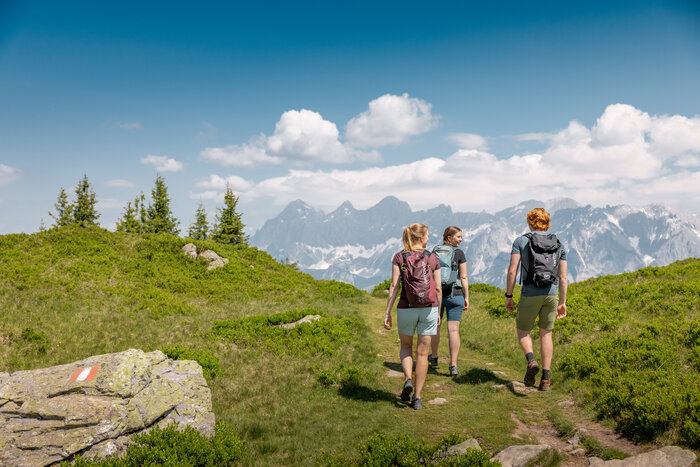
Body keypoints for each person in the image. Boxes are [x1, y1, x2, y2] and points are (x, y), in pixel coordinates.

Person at [505, 208, 567, 391]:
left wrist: (509, 296)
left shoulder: (521, 241)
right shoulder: (558, 243)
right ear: (547, 222)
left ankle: (531, 360)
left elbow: (512, 271)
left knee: (524, 332)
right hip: (551, 293)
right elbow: (563, 276)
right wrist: (562, 302)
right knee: (546, 334)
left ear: (530, 222)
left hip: (530, 293)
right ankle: (546, 380)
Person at [384, 223, 442, 410]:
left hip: (405, 307)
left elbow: (394, 286)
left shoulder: (399, 257)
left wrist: (387, 312)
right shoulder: (432, 257)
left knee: (406, 347)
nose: (428, 238)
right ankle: (417, 397)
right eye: (427, 235)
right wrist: (438, 311)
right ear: (421, 237)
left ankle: (408, 378)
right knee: (423, 353)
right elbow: (439, 288)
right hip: (429, 308)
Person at [429, 226, 469, 376]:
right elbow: (463, 277)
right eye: (458, 236)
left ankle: (434, 357)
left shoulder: (435, 252)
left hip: (437, 296)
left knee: (436, 327)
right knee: (453, 330)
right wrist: (466, 296)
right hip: (455, 294)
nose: (461, 239)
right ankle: (453, 365)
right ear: (449, 237)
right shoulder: (459, 254)